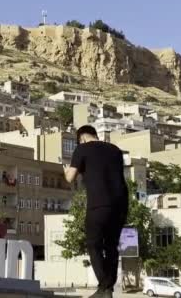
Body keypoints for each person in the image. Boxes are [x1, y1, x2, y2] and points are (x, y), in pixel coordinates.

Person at [64, 125, 129, 298]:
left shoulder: (82, 148)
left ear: (82, 138)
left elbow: (70, 177)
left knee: (94, 244)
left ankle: (104, 288)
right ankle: (108, 288)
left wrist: (66, 168)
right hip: (121, 204)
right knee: (111, 246)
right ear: (95, 134)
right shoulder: (115, 150)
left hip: (99, 203)